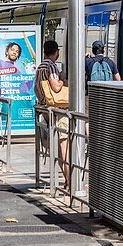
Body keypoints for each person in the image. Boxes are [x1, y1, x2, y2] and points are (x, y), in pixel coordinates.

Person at [35, 40, 70, 187]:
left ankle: (68, 180)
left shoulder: (40, 66)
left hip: (45, 108)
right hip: (57, 109)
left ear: (44, 51)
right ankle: (71, 180)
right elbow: (55, 88)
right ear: (57, 52)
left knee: (58, 145)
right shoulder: (51, 66)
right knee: (64, 144)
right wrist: (62, 79)